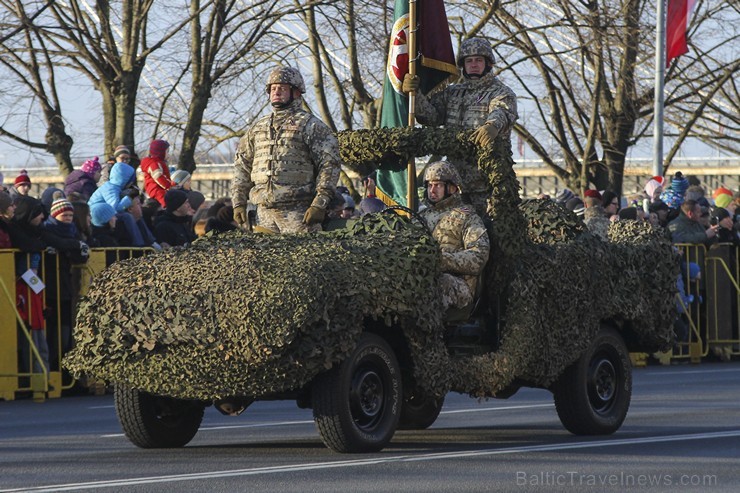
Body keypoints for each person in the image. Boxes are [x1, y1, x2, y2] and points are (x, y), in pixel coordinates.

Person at [402, 37, 518, 216]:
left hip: (487, 184)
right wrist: (415, 95)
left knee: (491, 232)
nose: (473, 64)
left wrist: (492, 126)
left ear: (488, 63)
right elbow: (431, 117)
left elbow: (502, 111)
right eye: (468, 61)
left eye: (478, 60)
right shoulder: (452, 92)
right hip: (454, 185)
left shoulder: (500, 92)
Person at [231, 66, 341, 233]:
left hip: (299, 212)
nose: (276, 92)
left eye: (282, 88)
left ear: (296, 92)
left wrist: (320, 202)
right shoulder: (257, 128)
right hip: (263, 212)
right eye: (273, 89)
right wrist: (238, 202)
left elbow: (329, 165)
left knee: (304, 258)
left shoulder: (311, 126)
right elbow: (242, 165)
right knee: (264, 258)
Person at [418, 161, 490, 311]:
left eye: (438, 185)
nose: (432, 190)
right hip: (425, 277)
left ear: (451, 188)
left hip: (459, 285)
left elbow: (479, 257)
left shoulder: (467, 217)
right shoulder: (420, 217)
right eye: (430, 185)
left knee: (438, 283)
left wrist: (443, 260)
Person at [140, 139, 174, 207]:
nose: (168, 154)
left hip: (160, 189)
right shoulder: (154, 164)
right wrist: (170, 186)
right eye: (167, 152)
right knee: (166, 203)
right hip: (156, 190)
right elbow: (159, 177)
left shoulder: (160, 162)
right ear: (160, 152)